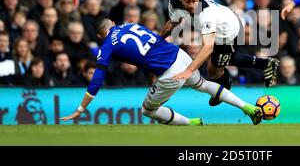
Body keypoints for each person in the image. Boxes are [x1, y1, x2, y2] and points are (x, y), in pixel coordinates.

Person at [60, 19, 262, 125]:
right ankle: (248, 108)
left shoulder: (106, 47)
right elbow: (157, 36)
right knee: (203, 85)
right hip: (179, 54)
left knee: (148, 110)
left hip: (168, 71)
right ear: (112, 23)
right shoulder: (131, 25)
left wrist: (80, 108)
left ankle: (191, 124)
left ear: (99, 35)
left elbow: (97, 79)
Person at [159, 0, 279, 107]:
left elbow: (208, 46)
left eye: (195, 0)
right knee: (218, 64)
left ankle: (225, 87)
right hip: (219, 30)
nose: (192, 5)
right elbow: (172, 22)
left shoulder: (205, 14)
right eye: (187, 1)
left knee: (214, 69)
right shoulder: (174, 3)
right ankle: (266, 64)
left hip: (230, 33)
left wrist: (189, 71)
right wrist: (156, 40)